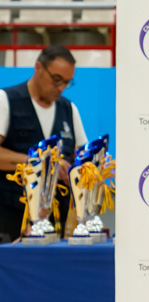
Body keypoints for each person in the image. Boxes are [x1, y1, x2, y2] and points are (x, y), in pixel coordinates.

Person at [0, 45, 87, 241]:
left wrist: (73, 171)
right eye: (57, 80)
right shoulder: (6, 101)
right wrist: (41, 163)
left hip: (56, 221)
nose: (61, 87)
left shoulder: (69, 110)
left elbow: (83, 160)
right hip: (11, 218)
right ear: (38, 68)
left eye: (67, 82)